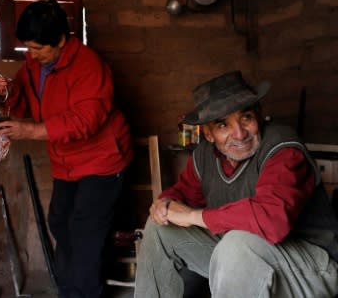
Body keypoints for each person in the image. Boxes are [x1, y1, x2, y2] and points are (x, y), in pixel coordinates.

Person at [134, 70, 338, 298]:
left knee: (237, 244)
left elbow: (272, 221)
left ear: (258, 116)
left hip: (314, 268)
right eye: (223, 125)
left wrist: (193, 216)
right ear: (209, 134)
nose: (239, 134)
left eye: (246, 117)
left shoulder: (282, 147)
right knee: (159, 228)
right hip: (247, 257)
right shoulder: (204, 156)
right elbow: (183, 193)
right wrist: (165, 203)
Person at [0, 0, 134, 298]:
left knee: (85, 231)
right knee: (60, 220)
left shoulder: (88, 65)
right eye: (28, 48)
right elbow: (24, 100)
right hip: (68, 162)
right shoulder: (35, 64)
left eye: (38, 48)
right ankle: (73, 288)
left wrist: (30, 130)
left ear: (60, 39)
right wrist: (7, 92)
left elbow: (85, 120)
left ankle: (81, 291)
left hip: (103, 159)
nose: (31, 55)